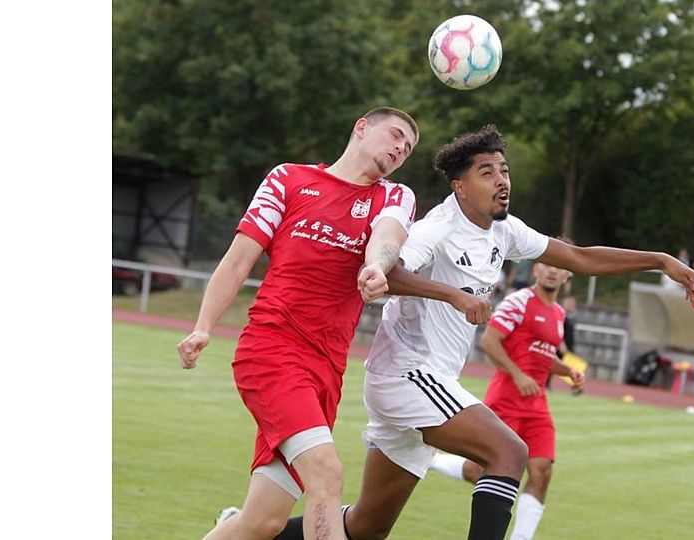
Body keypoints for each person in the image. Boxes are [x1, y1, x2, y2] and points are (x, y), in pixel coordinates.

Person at [270, 124, 694, 540]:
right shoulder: (436, 228)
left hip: (426, 381)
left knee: (367, 526)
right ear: (459, 185)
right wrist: (454, 295)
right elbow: (389, 271)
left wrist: (659, 259)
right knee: (509, 453)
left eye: (505, 170)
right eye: (487, 172)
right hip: (407, 374)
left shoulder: (505, 230)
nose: (501, 180)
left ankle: (254, 531)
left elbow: (578, 257)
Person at [177, 107, 488, 540]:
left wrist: (378, 266)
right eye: (395, 135)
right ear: (361, 127)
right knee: (327, 473)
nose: (400, 148)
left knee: (261, 522)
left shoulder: (394, 196)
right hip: (272, 351)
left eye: (408, 147)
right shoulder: (288, 179)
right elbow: (237, 260)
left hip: (326, 369)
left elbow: (388, 237)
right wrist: (204, 325)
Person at [428, 261, 585, 540]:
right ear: (536, 270)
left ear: (567, 275)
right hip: (506, 401)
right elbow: (489, 340)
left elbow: (542, 354)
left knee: (542, 472)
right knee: (483, 471)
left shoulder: (559, 313)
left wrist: (568, 371)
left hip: (537, 405)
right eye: (547, 266)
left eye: (560, 267)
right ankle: (433, 460)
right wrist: (518, 374)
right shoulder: (519, 301)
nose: (552, 271)